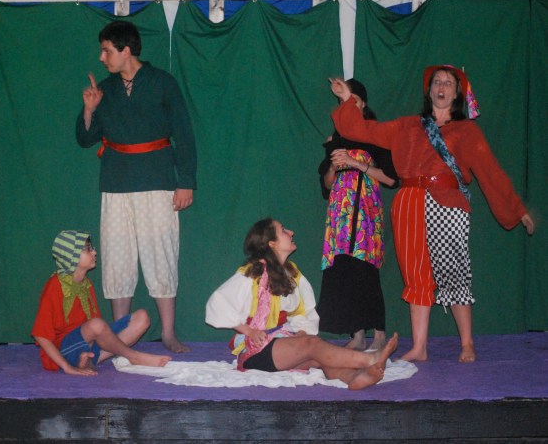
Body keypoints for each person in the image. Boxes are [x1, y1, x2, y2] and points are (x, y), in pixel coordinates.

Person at [329, 65, 535, 363]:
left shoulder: (467, 130)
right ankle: (419, 347)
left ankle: (467, 343)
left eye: (448, 83)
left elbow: (490, 171)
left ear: (457, 93)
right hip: (409, 201)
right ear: (429, 90)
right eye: (437, 82)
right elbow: (362, 130)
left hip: (447, 202)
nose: (442, 87)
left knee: (454, 270)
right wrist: (347, 98)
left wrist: (517, 209)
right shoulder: (408, 126)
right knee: (415, 274)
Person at [77, 20, 197, 353]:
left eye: (106, 51)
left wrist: (185, 182)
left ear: (126, 50)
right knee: (117, 257)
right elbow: (85, 138)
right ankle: (118, 334)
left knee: (161, 254)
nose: (102, 58)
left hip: (157, 181)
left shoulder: (163, 83)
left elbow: (184, 134)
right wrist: (89, 109)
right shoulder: (105, 89)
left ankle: (168, 333)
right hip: (116, 182)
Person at [205, 218, 399, 390]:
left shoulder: (292, 273)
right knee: (312, 344)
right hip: (257, 350)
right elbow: (218, 302)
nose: (291, 232)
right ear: (272, 243)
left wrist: (302, 331)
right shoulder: (253, 272)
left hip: (280, 343)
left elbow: (302, 311)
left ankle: (354, 378)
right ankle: (370, 359)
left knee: (319, 357)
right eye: (283, 230)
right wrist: (249, 331)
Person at [317, 79, 399, 351]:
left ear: (362, 104)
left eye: (352, 100)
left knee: (365, 268)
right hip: (340, 212)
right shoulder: (335, 140)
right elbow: (326, 185)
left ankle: (379, 334)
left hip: (365, 210)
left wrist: (355, 163)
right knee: (344, 268)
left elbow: (390, 179)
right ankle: (357, 334)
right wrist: (334, 166)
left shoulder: (375, 135)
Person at [31, 230, 172, 375]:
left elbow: (97, 330)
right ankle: (133, 356)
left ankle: (90, 359)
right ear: (71, 256)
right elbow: (40, 335)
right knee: (96, 325)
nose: (94, 252)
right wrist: (67, 367)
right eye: (88, 249)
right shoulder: (55, 285)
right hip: (63, 349)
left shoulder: (86, 284)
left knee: (142, 317)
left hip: (87, 342)